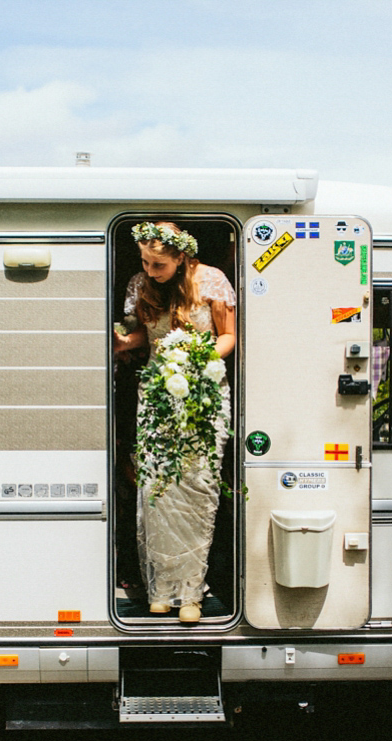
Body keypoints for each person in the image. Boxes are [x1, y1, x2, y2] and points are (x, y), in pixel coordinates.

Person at [113, 221, 236, 623]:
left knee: (197, 491)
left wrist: (195, 357)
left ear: (181, 256)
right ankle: (161, 589)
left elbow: (227, 337)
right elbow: (144, 338)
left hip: (203, 394)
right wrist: (120, 342)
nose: (150, 271)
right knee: (158, 491)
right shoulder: (139, 284)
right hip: (156, 396)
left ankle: (192, 594)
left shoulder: (212, 281)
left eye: (158, 264)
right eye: (145, 262)